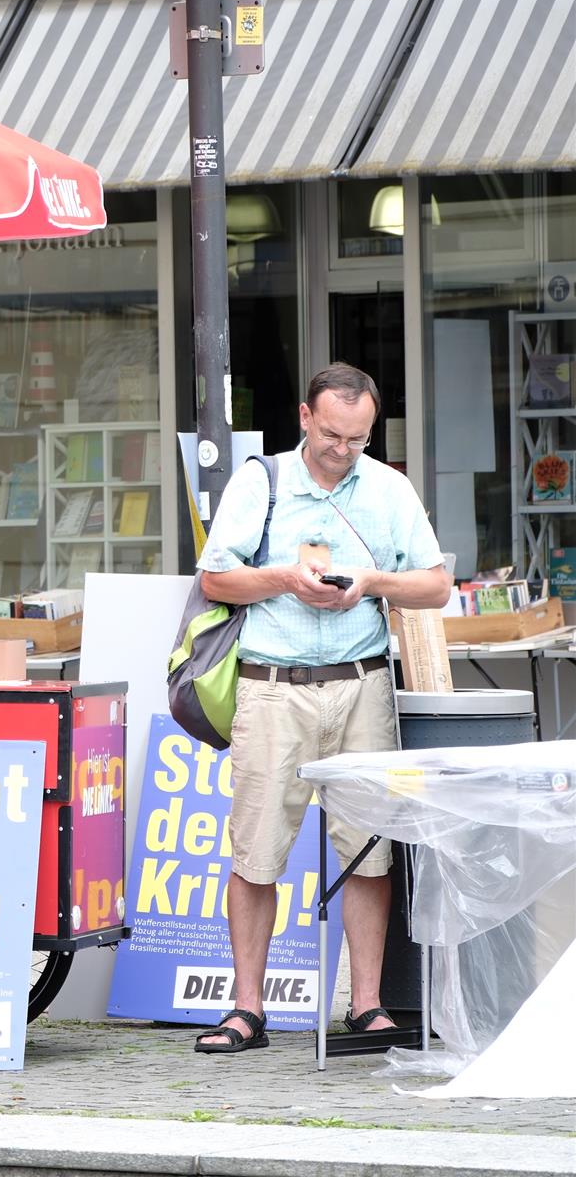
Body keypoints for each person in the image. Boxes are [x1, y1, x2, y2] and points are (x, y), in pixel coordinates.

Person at [192, 363, 450, 1055]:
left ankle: (365, 1006)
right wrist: (284, 578)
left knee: (369, 851)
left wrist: (371, 582)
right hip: (272, 687)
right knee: (256, 851)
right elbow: (215, 578)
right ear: (305, 418)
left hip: (362, 685)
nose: (343, 450)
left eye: (358, 439)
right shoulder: (263, 482)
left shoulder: (388, 487)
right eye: (332, 435)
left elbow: (436, 585)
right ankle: (247, 1009)